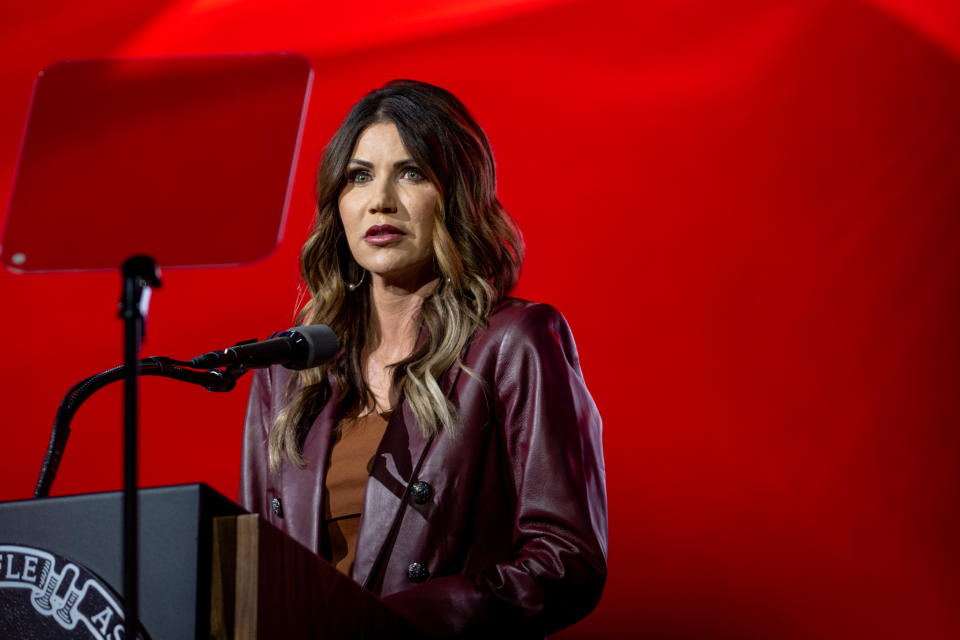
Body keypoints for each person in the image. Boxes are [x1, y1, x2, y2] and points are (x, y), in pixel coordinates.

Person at [240, 79, 607, 638]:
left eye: (410, 173)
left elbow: (567, 559)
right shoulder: (285, 371)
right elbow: (250, 572)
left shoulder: (514, 342)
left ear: (454, 194)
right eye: (359, 176)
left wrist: (404, 621)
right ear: (338, 203)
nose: (379, 199)